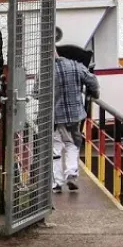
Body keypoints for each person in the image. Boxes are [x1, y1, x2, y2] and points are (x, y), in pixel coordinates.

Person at [52, 47, 99, 192]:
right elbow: (92, 80)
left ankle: (57, 183)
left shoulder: (48, 71)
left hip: (55, 116)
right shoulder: (76, 66)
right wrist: (95, 94)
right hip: (74, 115)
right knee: (72, 145)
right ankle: (71, 174)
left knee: (56, 148)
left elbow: (36, 92)